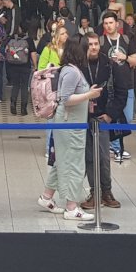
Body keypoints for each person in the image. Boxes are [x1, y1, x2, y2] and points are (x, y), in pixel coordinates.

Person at [36, 34, 99, 221]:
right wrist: (89, 95)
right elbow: (66, 99)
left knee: (62, 161)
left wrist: (87, 96)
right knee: (74, 164)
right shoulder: (72, 72)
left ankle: (46, 197)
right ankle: (71, 207)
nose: (91, 49)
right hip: (70, 126)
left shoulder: (70, 69)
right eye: (88, 46)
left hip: (68, 124)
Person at [82, 34, 119, 209]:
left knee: (104, 157)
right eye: (90, 44)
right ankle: (94, 192)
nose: (94, 47)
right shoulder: (78, 65)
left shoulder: (108, 64)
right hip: (83, 118)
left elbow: (120, 89)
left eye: (96, 44)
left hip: (103, 116)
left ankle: (107, 191)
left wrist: (111, 114)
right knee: (89, 157)